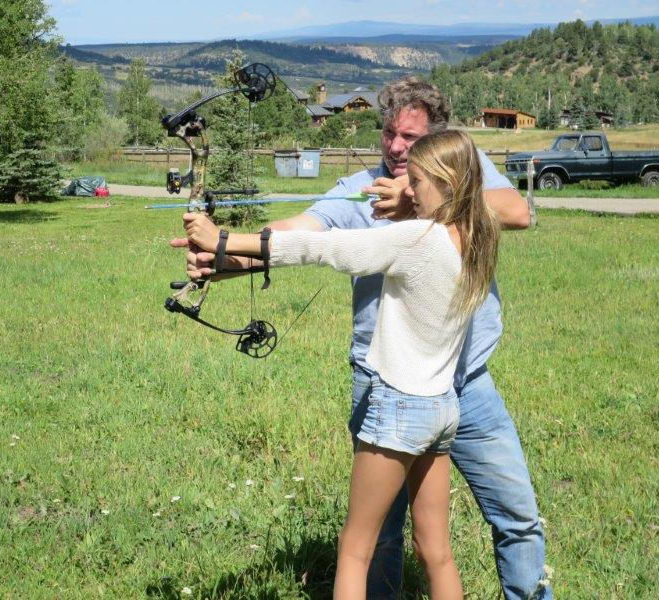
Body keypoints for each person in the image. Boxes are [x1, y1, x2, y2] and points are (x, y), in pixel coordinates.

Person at [173, 77, 551, 600]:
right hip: (394, 384)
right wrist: (224, 261)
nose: (397, 147)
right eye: (390, 133)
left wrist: (416, 199)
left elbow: (517, 212)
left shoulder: (447, 184)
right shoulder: (364, 189)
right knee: (400, 541)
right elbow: (301, 232)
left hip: (462, 386)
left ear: (440, 155)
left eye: (411, 139)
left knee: (509, 519)